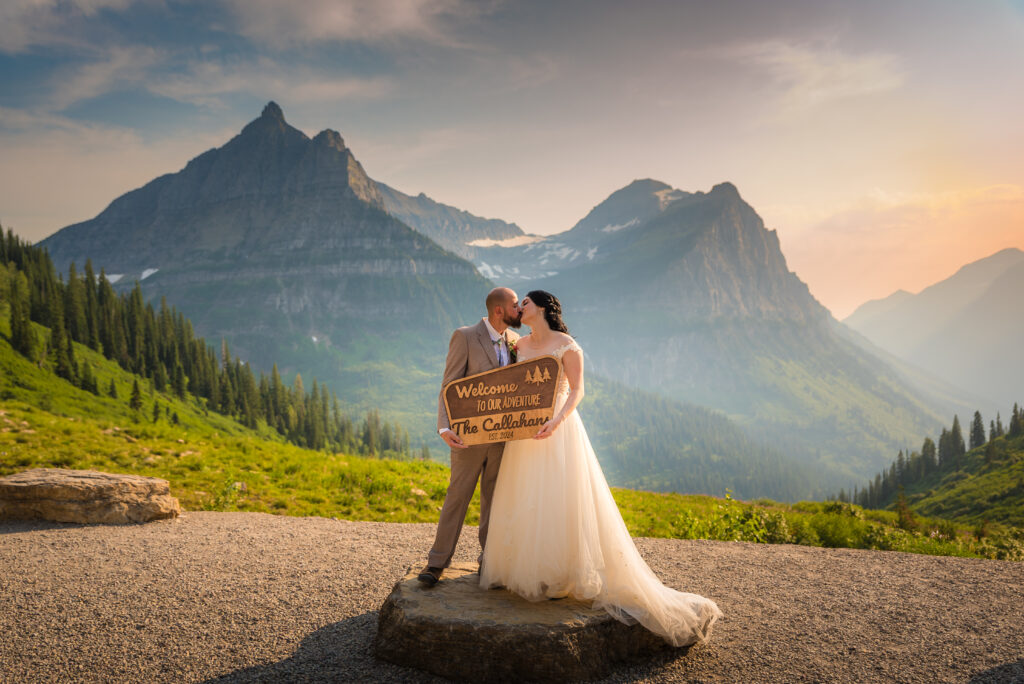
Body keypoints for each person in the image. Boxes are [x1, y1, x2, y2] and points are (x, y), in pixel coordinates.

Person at [479, 290, 722, 647]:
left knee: (560, 495)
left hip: (558, 430)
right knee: (525, 495)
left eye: (526, 303)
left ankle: (560, 575)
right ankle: (523, 570)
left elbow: (577, 391)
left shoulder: (567, 346)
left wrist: (557, 421)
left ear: (543, 308)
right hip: (525, 432)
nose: (520, 308)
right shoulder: (519, 345)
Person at [418, 287, 522, 586]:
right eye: (516, 305)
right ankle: (436, 564)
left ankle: (488, 564)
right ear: (499, 310)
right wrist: (444, 427)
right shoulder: (465, 336)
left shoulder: (515, 341)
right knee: (457, 497)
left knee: (495, 501)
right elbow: (448, 384)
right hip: (468, 436)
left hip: (504, 436)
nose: (520, 310)